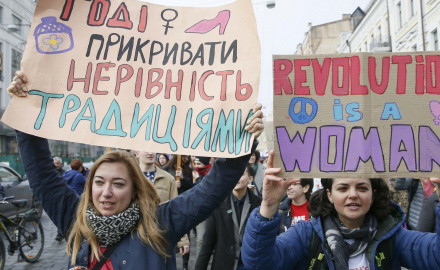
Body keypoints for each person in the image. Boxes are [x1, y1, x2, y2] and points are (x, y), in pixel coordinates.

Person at [8, 70, 264, 269]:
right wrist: (24, 108)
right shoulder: (76, 219)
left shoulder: (161, 223)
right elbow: (41, 174)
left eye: (118, 184)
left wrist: (241, 139)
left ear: (134, 190)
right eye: (99, 182)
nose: (106, 192)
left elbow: (213, 188)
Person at [241, 150, 440, 270]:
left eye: (362, 187)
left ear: (372, 195)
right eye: (343, 188)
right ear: (330, 195)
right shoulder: (306, 236)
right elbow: (259, 264)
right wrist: (268, 207)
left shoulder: (393, 236)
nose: (353, 194)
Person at [195, 165, 261, 270]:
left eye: (241, 173)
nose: (236, 177)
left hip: (250, 264)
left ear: (250, 179)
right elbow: (207, 243)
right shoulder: (217, 205)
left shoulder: (259, 205)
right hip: (224, 264)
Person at [135, 150, 190, 268]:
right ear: (137, 153)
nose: (150, 153)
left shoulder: (167, 178)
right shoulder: (130, 177)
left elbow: (177, 210)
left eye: (152, 149)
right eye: (145, 149)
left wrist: (183, 240)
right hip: (136, 236)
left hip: (162, 236)